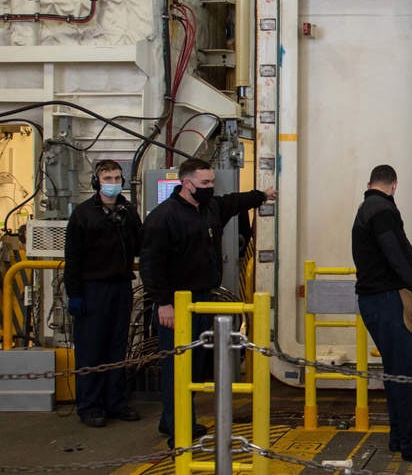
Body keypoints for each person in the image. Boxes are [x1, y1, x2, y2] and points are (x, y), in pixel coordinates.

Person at [139, 158, 277, 448]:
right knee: (177, 368)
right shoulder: (163, 218)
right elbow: (151, 265)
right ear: (186, 183)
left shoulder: (210, 209)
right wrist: (163, 304)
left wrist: (263, 195)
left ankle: (172, 420)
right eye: (204, 183)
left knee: (194, 366)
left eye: (212, 182)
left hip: (203, 300)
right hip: (177, 304)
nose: (210, 187)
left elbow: (235, 202)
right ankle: (179, 430)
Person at [352, 164, 412, 466]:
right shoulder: (382, 209)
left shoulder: (368, 207)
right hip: (385, 301)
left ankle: (402, 436)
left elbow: (400, 258)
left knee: (397, 373)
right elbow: (397, 256)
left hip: (377, 301)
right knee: (408, 375)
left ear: (370, 183)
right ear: (394, 185)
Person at [64, 159, 142, 427]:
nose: (113, 183)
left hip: (121, 287)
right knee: (91, 349)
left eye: (117, 178)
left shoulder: (128, 211)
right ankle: (89, 407)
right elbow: (72, 258)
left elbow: (141, 244)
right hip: (92, 289)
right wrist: (74, 293)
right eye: (108, 179)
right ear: (97, 182)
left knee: (117, 347)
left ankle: (115, 402)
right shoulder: (84, 214)